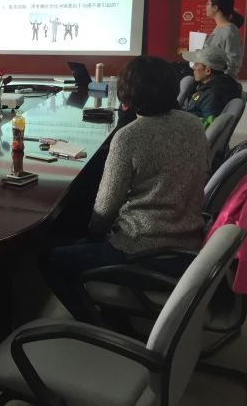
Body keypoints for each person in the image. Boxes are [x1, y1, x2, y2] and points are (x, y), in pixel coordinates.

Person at [41, 56, 207, 321]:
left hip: (142, 252)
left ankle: (97, 326)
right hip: (189, 246)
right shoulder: (193, 125)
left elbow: (105, 210)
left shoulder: (129, 137)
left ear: (125, 95)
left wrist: (92, 234)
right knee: (79, 244)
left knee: (50, 260)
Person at [180, 45, 242, 128]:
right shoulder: (220, 85)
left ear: (208, 71)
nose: (193, 67)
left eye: (197, 64)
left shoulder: (213, 95)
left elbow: (207, 126)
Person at [202, 0, 244, 78]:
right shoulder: (219, 28)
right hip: (212, 80)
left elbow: (233, 63)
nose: (205, 6)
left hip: (222, 83)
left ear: (215, 7)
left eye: (208, 3)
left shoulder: (230, 31)